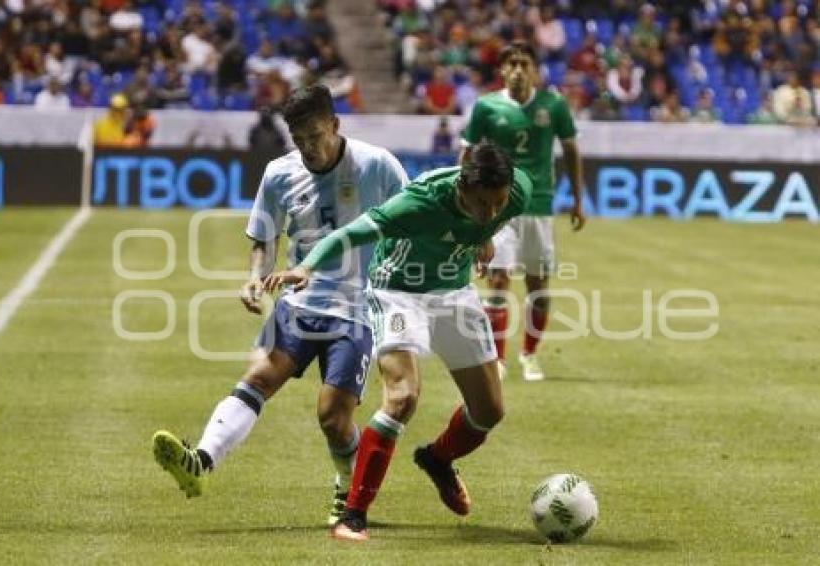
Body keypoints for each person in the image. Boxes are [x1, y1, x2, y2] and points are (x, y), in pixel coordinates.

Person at [151, 84, 409, 527]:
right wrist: (256, 277)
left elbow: (413, 213)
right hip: (299, 299)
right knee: (258, 376)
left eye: (315, 135)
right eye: (299, 139)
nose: (308, 148)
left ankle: (347, 487)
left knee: (332, 417)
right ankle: (200, 463)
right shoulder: (279, 174)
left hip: (358, 307)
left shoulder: (376, 165)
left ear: (335, 124)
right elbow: (264, 237)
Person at [264, 141, 531, 541]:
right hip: (397, 292)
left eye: (498, 204)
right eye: (481, 203)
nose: (490, 212)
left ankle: (437, 459)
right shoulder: (418, 204)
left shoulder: (517, 190)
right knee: (403, 396)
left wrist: (483, 232)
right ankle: (352, 515)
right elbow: (349, 234)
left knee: (489, 411)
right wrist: (305, 267)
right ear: (462, 186)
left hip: (454, 292)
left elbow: (490, 217)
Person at [459, 42, 586, 382]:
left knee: (537, 287)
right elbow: (467, 155)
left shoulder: (553, 105)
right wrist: (463, 203)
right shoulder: (486, 106)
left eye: (524, 63)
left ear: (535, 70)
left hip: (539, 206)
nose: (517, 70)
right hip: (497, 207)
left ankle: (529, 354)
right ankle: (497, 360)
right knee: (498, 280)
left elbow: (572, 150)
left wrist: (577, 199)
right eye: (511, 63)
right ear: (502, 70)